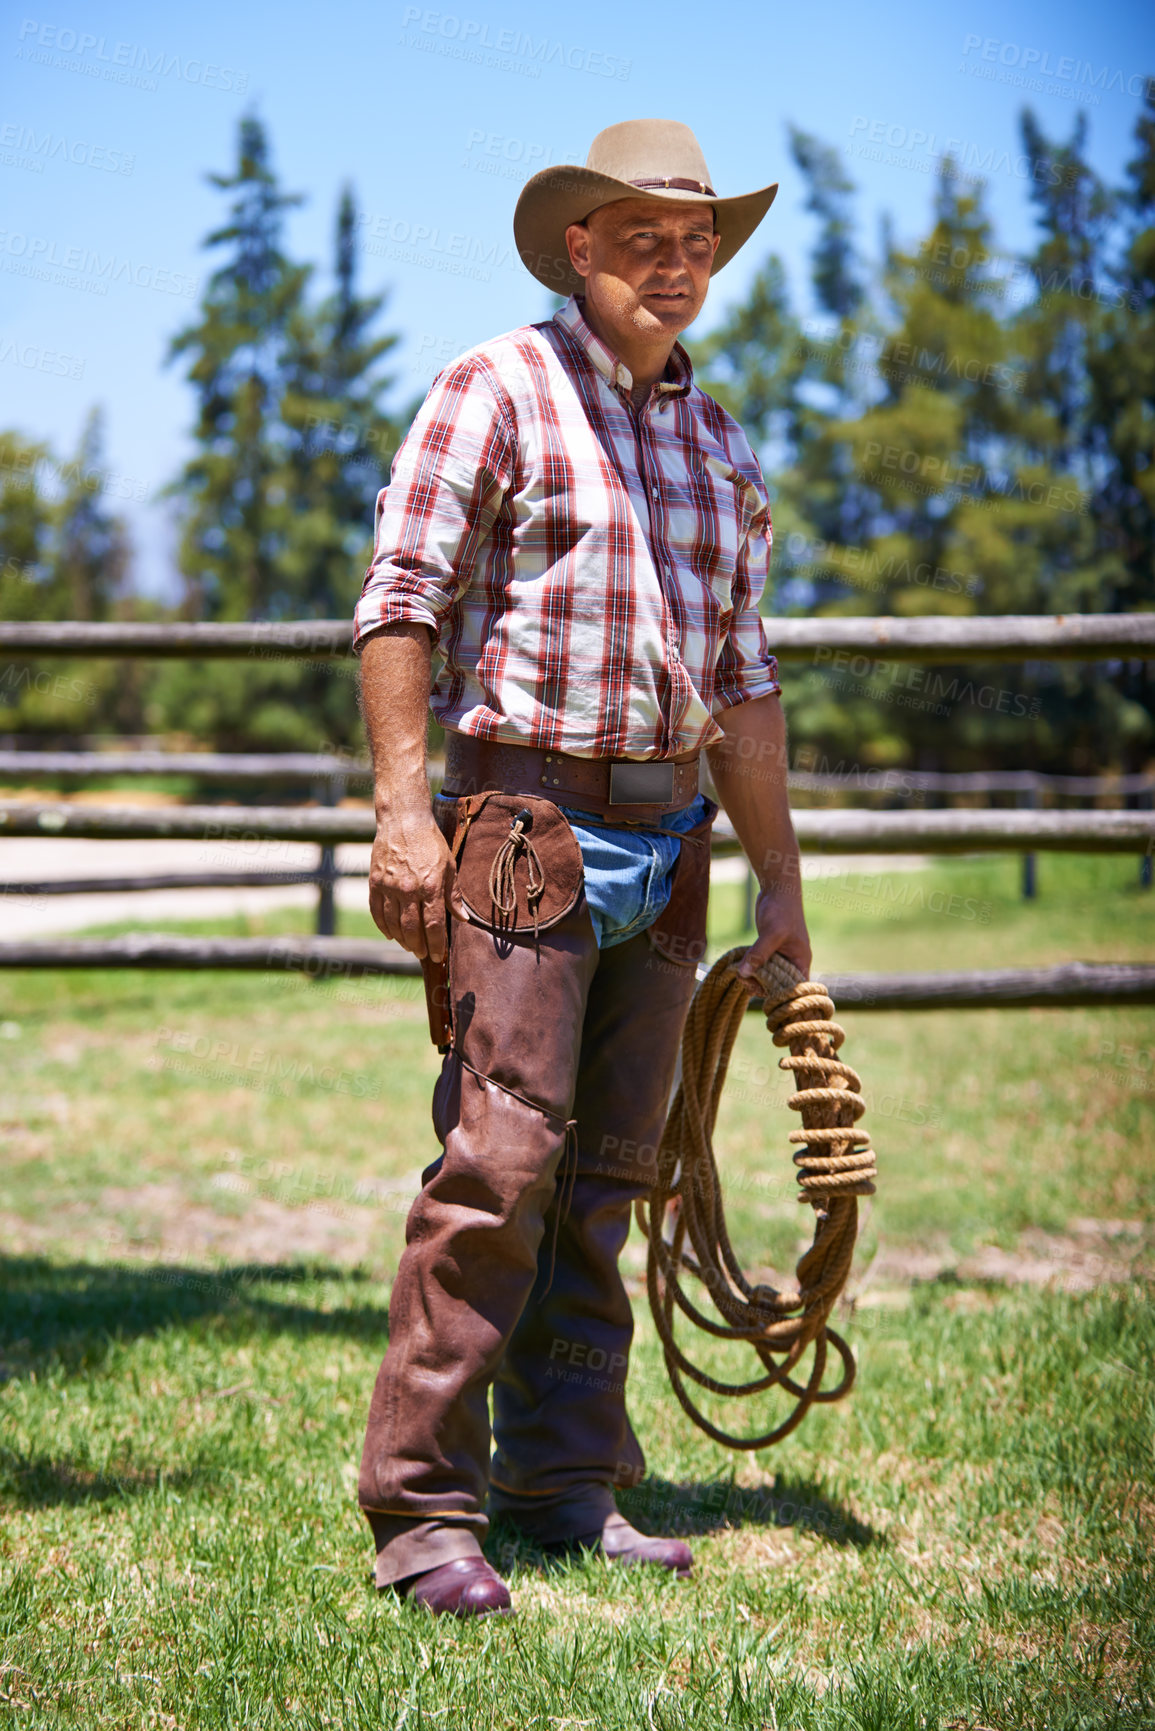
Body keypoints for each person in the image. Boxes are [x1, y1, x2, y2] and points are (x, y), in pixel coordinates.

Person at [352, 119, 811, 1618]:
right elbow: (402, 599)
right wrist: (408, 810)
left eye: (698, 246)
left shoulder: (721, 444)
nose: (676, 268)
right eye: (644, 242)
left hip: (669, 838)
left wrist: (782, 889)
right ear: (580, 249)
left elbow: (743, 683)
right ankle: (424, 1509)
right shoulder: (496, 389)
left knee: (611, 1174)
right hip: (529, 827)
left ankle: (562, 1483)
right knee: (499, 1165)